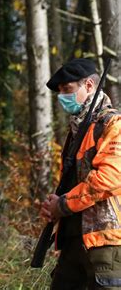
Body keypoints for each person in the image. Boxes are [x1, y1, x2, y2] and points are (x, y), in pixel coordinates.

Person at [41, 58, 121, 289]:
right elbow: (73, 180)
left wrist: (63, 204)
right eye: (59, 92)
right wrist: (55, 204)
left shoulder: (112, 124)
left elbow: (109, 179)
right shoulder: (78, 129)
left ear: (88, 86)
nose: (61, 97)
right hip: (74, 240)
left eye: (67, 90)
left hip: (107, 244)